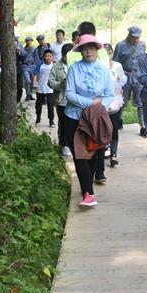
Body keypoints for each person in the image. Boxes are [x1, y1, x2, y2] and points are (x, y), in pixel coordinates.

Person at [62, 34, 114, 207]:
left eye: (91, 48)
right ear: (81, 51)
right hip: (74, 118)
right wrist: (91, 104)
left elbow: (108, 94)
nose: (88, 51)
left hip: (95, 120)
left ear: (96, 50)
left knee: (92, 153)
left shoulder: (104, 70)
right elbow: (69, 94)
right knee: (79, 156)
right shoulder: (74, 69)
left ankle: (87, 186)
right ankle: (89, 194)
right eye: (85, 48)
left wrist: (98, 109)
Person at [112, 26, 147, 137]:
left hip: (138, 76)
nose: (136, 40)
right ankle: (118, 120)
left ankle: (143, 126)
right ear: (129, 36)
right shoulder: (120, 45)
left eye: (138, 37)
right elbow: (115, 63)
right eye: (134, 37)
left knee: (141, 102)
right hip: (125, 75)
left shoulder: (142, 45)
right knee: (122, 100)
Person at [49, 43, 74, 157]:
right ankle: (63, 145)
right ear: (62, 55)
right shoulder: (56, 66)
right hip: (62, 100)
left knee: (73, 124)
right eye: (65, 57)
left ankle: (72, 144)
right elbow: (50, 81)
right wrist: (60, 84)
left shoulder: (76, 64)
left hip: (74, 100)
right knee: (63, 124)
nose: (67, 59)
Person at [103, 43, 127, 167]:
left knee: (114, 127)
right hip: (102, 102)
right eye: (104, 52)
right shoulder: (98, 66)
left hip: (116, 101)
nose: (107, 55)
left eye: (109, 52)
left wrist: (117, 86)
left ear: (112, 53)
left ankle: (114, 153)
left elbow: (123, 79)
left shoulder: (117, 66)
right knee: (104, 128)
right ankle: (105, 148)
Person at [33, 48, 55, 126]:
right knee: (39, 104)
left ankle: (51, 120)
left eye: (50, 56)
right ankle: (38, 116)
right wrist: (34, 83)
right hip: (40, 88)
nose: (48, 58)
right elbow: (35, 74)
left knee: (50, 104)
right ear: (43, 57)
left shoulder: (54, 65)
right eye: (46, 56)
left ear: (52, 57)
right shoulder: (41, 65)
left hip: (50, 89)